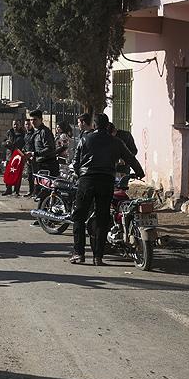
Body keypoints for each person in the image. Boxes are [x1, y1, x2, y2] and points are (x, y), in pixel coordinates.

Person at [69, 113, 144, 266]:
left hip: (87, 181)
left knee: (79, 216)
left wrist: (81, 175)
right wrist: (140, 172)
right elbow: (131, 158)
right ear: (108, 125)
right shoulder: (116, 141)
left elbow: (75, 162)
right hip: (106, 181)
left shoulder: (84, 139)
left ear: (94, 125)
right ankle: (98, 257)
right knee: (102, 218)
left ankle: (79, 253)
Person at [2, 119, 26, 196]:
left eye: (17, 124)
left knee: (17, 174)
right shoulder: (9, 132)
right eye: (14, 124)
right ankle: (8, 189)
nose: (15, 126)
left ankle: (16, 191)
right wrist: (6, 143)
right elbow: (3, 142)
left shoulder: (23, 134)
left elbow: (24, 144)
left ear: (20, 125)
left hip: (18, 156)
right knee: (9, 173)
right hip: (9, 156)